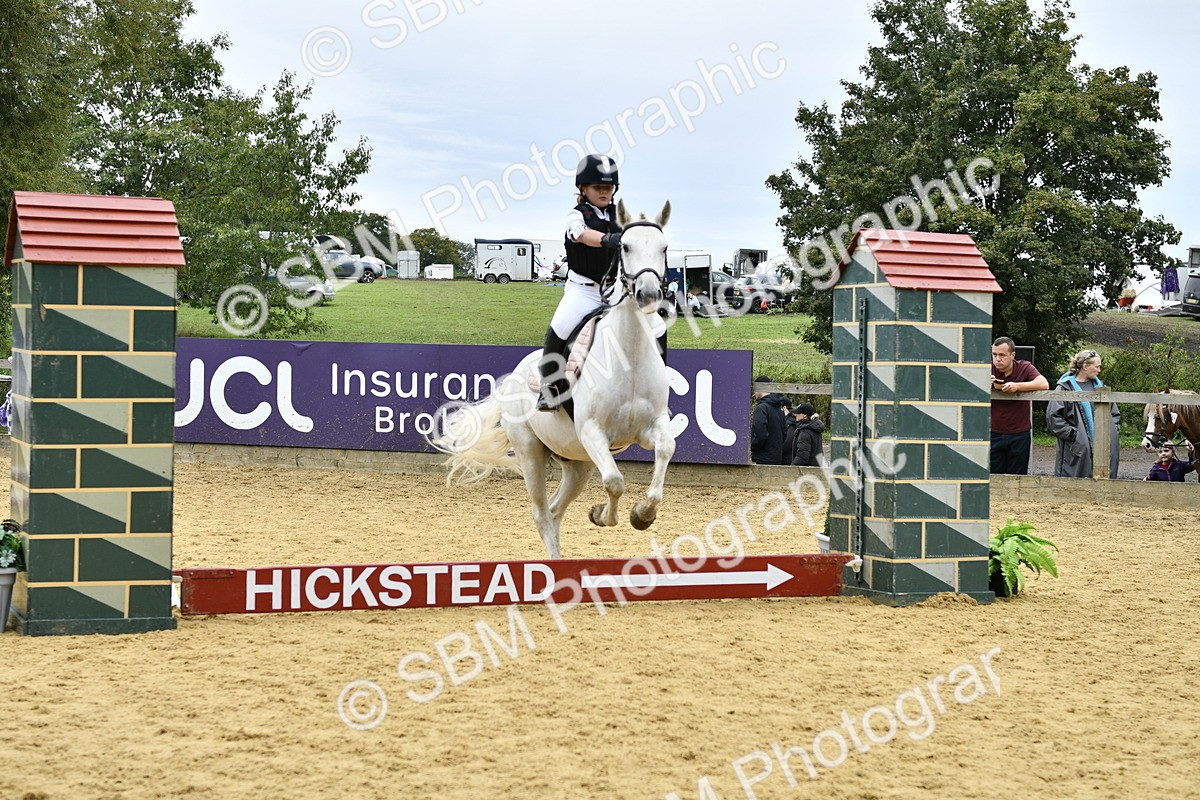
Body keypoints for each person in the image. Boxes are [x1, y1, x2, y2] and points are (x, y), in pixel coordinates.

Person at [536, 154, 666, 411]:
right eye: (598, 187)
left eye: (608, 187)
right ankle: (550, 388)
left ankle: (658, 388)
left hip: (615, 290)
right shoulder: (576, 215)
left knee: (659, 326)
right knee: (560, 326)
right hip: (583, 291)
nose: (604, 192)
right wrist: (607, 239)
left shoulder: (622, 217)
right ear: (583, 189)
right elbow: (580, 235)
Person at [1046, 349, 1121, 478]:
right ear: (1085, 366)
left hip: (1104, 447)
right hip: (1077, 450)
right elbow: (1053, 418)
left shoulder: (1102, 388)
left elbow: (1114, 414)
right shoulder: (1064, 388)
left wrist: (1111, 431)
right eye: (1097, 367)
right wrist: (1075, 436)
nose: (1099, 370)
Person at [990, 337, 1049, 474]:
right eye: (994, 354)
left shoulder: (1024, 367)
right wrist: (982, 382)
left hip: (1019, 434)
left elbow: (1044, 384)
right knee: (993, 478)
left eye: (1002, 355)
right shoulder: (986, 368)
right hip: (992, 432)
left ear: (1012, 355)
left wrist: (1017, 387)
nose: (997, 359)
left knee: (1017, 478)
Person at [750, 376, 789, 465]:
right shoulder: (780, 408)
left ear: (760, 388)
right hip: (776, 458)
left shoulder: (762, 408)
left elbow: (760, 434)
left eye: (755, 390)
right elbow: (784, 433)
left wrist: (752, 447)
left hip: (762, 458)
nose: (754, 393)